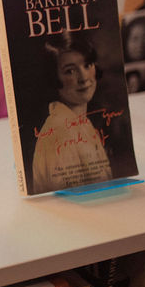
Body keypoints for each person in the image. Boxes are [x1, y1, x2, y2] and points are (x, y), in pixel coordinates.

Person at [31, 37, 113, 193]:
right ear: (54, 78)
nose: (84, 78)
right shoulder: (59, 132)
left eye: (87, 65)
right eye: (70, 71)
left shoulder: (83, 124)